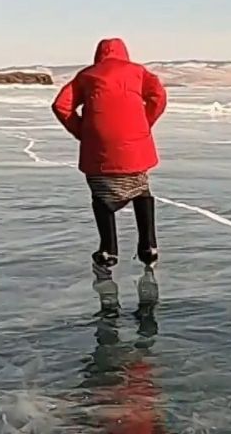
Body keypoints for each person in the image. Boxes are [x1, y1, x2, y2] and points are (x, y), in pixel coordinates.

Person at [51, 38, 168, 279]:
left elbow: (61, 105)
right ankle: (149, 247)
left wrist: (83, 132)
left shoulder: (87, 75)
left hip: (99, 151)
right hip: (135, 148)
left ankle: (108, 250)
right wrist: (143, 124)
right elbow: (158, 97)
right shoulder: (138, 72)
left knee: (102, 198)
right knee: (140, 190)